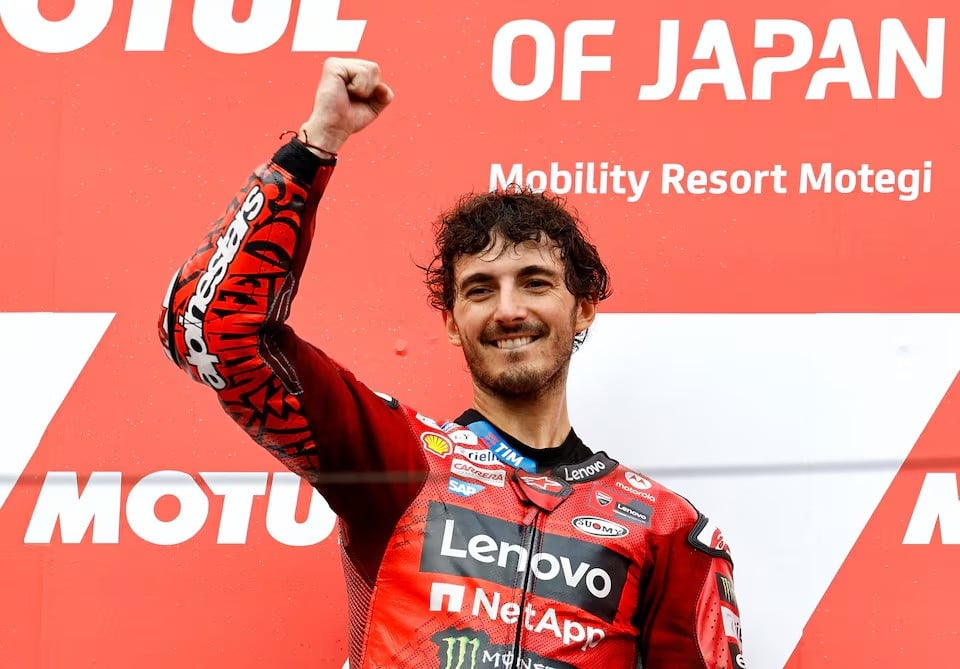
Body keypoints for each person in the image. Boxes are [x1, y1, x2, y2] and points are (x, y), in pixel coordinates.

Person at [158, 57, 745, 669]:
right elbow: (211, 331)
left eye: (536, 283)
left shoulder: (667, 528)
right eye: (481, 289)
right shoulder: (397, 456)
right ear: (451, 322)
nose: (509, 310)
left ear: (584, 309)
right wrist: (315, 146)